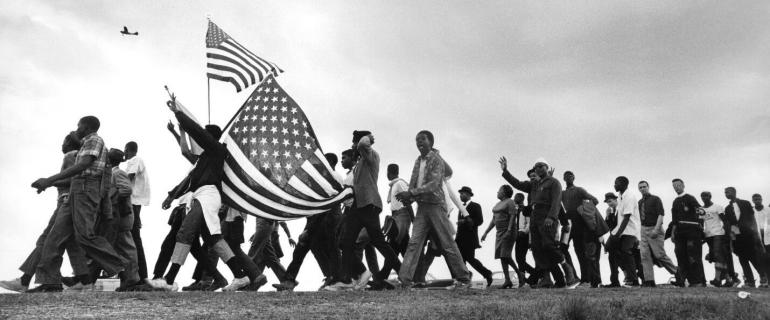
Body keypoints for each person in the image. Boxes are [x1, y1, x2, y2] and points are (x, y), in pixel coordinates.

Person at [151, 98, 257, 292]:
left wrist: (178, 113)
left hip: (208, 195)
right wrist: (180, 132)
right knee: (212, 239)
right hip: (199, 195)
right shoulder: (203, 158)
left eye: (205, 136)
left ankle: (168, 279)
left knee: (185, 233)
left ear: (211, 138)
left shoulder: (218, 150)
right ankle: (240, 276)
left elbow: (198, 134)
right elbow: (185, 150)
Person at [30, 116, 130, 293]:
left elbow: (83, 165)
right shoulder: (86, 143)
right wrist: (49, 184)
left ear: (87, 126)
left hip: (86, 189)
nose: (77, 128)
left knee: (84, 236)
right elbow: (76, 174)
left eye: (79, 125)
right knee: (55, 235)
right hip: (78, 188)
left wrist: (50, 179)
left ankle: (121, 265)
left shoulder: (95, 140)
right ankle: (50, 281)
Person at [0, 133, 89, 292]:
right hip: (71, 201)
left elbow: (73, 179)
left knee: (46, 240)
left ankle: (32, 281)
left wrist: (50, 182)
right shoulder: (77, 156)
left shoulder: (70, 156)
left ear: (69, 144)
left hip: (66, 201)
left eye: (63, 141)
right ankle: (84, 279)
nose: (62, 144)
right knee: (69, 243)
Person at [396, 130, 471, 289]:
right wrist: (408, 196)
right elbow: (413, 181)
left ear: (431, 141)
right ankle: (405, 280)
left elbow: (434, 184)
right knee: (414, 243)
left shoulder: (436, 159)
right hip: (422, 207)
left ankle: (464, 278)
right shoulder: (418, 161)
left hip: (436, 206)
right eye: (417, 140)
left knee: (447, 242)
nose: (419, 142)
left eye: (422, 139)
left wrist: (411, 193)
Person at [329, 131, 401, 291]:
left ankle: (402, 273)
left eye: (353, 143)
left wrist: (367, 138)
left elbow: (362, 144)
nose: (352, 146)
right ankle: (347, 279)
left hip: (369, 204)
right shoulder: (361, 161)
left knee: (379, 242)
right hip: (359, 206)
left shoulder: (371, 155)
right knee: (345, 242)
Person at [499, 157, 578, 289]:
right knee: (537, 248)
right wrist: (505, 171)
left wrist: (552, 217)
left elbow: (557, 201)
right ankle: (547, 279)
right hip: (535, 218)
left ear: (547, 168)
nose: (538, 168)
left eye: (541, 166)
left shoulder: (554, 182)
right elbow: (517, 183)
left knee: (549, 245)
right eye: (536, 166)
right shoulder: (534, 185)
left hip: (547, 217)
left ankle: (567, 268)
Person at [276, 153, 343, 291]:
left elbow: (324, 207)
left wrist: (308, 230)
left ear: (329, 164)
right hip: (317, 220)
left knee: (321, 249)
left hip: (327, 220)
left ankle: (333, 277)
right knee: (307, 248)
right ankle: (291, 279)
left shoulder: (332, 179)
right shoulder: (324, 179)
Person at [105, 148, 153, 291]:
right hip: (117, 216)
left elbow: (126, 190)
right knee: (122, 248)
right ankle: (127, 279)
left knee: (127, 248)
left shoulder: (118, 173)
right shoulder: (113, 173)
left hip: (122, 216)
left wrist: (109, 199)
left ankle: (132, 279)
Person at [560, 171, 599, 287]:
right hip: (567, 223)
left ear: (574, 178)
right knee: (562, 248)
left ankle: (585, 279)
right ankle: (573, 276)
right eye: (566, 176)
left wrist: (583, 211)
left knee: (580, 252)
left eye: (570, 176)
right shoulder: (562, 193)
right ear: (563, 178)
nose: (568, 178)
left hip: (579, 224)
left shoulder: (579, 190)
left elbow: (595, 200)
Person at [724, 187, 768, 288]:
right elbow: (729, 224)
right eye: (725, 192)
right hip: (737, 238)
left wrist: (755, 233)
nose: (726, 194)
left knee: (753, 257)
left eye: (728, 192)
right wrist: (731, 238)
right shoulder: (727, 208)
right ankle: (750, 281)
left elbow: (752, 218)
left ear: (734, 192)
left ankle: (763, 279)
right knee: (742, 259)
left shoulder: (745, 203)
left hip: (748, 235)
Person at [637, 181, 678, 287]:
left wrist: (656, 229)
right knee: (644, 256)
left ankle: (678, 274)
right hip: (643, 229)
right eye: (640, 187)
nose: (642, 189)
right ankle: (649, 280)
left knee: (659, 255)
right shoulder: (640, 202)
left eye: (644, 187)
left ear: (648, 187)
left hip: (655, 228)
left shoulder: (655, 199)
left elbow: (661, 215)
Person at [481, 185, 521, 288]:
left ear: (504, 192)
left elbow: (513, 216)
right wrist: (486, 232)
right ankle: (508, 280)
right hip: (499, 232)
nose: (497, 192)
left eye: (499, 190)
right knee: (502, 257)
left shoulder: (510, 202)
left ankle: (519, 273)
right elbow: (494, 220)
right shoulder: (498, 204)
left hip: (509, 231)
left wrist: (508, 230)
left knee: (505, 255)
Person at [605, 176, 641, 287]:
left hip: (629, 230)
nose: (614, 185)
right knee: (611, 250)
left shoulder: (629, 196)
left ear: (624, 184)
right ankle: (614, 281)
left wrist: (618, 234)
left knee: (626, 251)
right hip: (620, 230)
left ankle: (633, 281)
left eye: (617, 183)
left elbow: (627, 217)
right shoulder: (621, 196)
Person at [670, 178, 705, 287]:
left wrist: (700, 226)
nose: (676, 187)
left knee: (693, 255)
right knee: (680, 254)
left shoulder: (690, 198)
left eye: (678, 185)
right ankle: (681, 280)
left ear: (683, 185)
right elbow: (674, 220)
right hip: (680, 233)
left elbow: (701, 211)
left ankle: (697, 281)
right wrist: (672, 233)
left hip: (692, 232)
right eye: (674, 186)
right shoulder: (675, 201)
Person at [124, 141, 150, 283]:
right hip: (135, 202)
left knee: (134, 238)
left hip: (133, 202)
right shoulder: (134, 161)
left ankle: (141, 275)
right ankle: (139, 275)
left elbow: (130, 177)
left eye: (125, 151)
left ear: (130, 150)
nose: (124, 154)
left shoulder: (135, 160)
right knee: (133, 238)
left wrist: (118, 192)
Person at [456, 186, 493, 287]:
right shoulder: (460, 207)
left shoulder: (475, 206)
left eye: (462, 193)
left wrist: (465, 221)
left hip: (470, 238)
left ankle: (487, 273)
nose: (460, 195)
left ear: (468, 195)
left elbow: (479, 221)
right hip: (459, 238)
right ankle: (465, 277)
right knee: (460, 260)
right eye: (460, 193)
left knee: (470, 259)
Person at [701, 191, 731, 287]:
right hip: (708, 235)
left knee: (718, 254)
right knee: (717, 256)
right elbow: (701, 223)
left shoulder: (717, 207)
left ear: (710, 196)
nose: (704, 197)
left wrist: (727, 233)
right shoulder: (700, 209)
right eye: (702, 196)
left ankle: (717, 279)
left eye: (706, 196)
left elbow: (724, 220)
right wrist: (702, 236)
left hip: (718, 233)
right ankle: (728, 279)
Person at [387, 164, 413, 255]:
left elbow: (408, 200)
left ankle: (388, 268)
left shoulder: (399, 183)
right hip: (396, 216)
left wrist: (413, 219)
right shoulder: (394, 184)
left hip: (402, 216)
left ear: (389, 172)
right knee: (399, 245)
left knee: (398, 243)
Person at [513, 193, 535, 286]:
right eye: (515, 197)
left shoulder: (525, 209)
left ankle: (533, 274)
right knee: (519, 259)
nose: (515, 199)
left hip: (524, 236)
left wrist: (524, 232)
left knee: (521, 259)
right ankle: (523, 280)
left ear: (521, 199)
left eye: (517, 197)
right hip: (516, 236)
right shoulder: (515, 210)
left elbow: (529, 223)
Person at [602, 192, 622, 287]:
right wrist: (607, 215)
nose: (609, 203)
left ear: (615, 199)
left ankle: (635, 279)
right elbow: (607, 226)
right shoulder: (610, 211)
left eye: (610, 201)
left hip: (623, 238)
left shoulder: (621, 209)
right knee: (612, 259)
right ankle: (615, 281)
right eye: (607, 202)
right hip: (614, 239)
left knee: (625, 260)